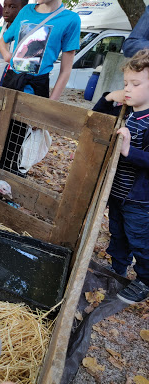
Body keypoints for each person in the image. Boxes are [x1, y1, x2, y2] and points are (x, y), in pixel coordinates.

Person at [91, 49, 149, 304]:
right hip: (116, 192)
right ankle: (118, 270)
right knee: (118, 233)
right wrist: (107, 97)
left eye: (135, 84)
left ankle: (145, 280)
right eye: (125, 83)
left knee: (140, 239)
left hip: (139, 201)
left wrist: (129, 151)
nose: (128, 89)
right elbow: (97, 118)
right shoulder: (127, 112)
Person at [0, 0, 80, 177]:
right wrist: (6, 55)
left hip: (35, 87)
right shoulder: (26, 11)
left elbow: (66, 70)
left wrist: (49, 107)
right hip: (11, 80)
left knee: (20, 142)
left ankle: (10, 184)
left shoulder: (70, 19)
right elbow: (3, 40)